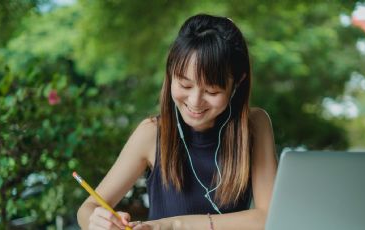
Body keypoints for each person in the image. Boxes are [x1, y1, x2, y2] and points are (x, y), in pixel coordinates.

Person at [77, 13, 277, 230]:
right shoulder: (152, 132)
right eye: (185, 85)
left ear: (237, 82)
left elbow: (269, 218)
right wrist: (96, 221)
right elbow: (87, 208)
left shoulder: (255, 125)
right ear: (171, 74)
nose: (195, 101)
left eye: (211, 90)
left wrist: (176, 224)